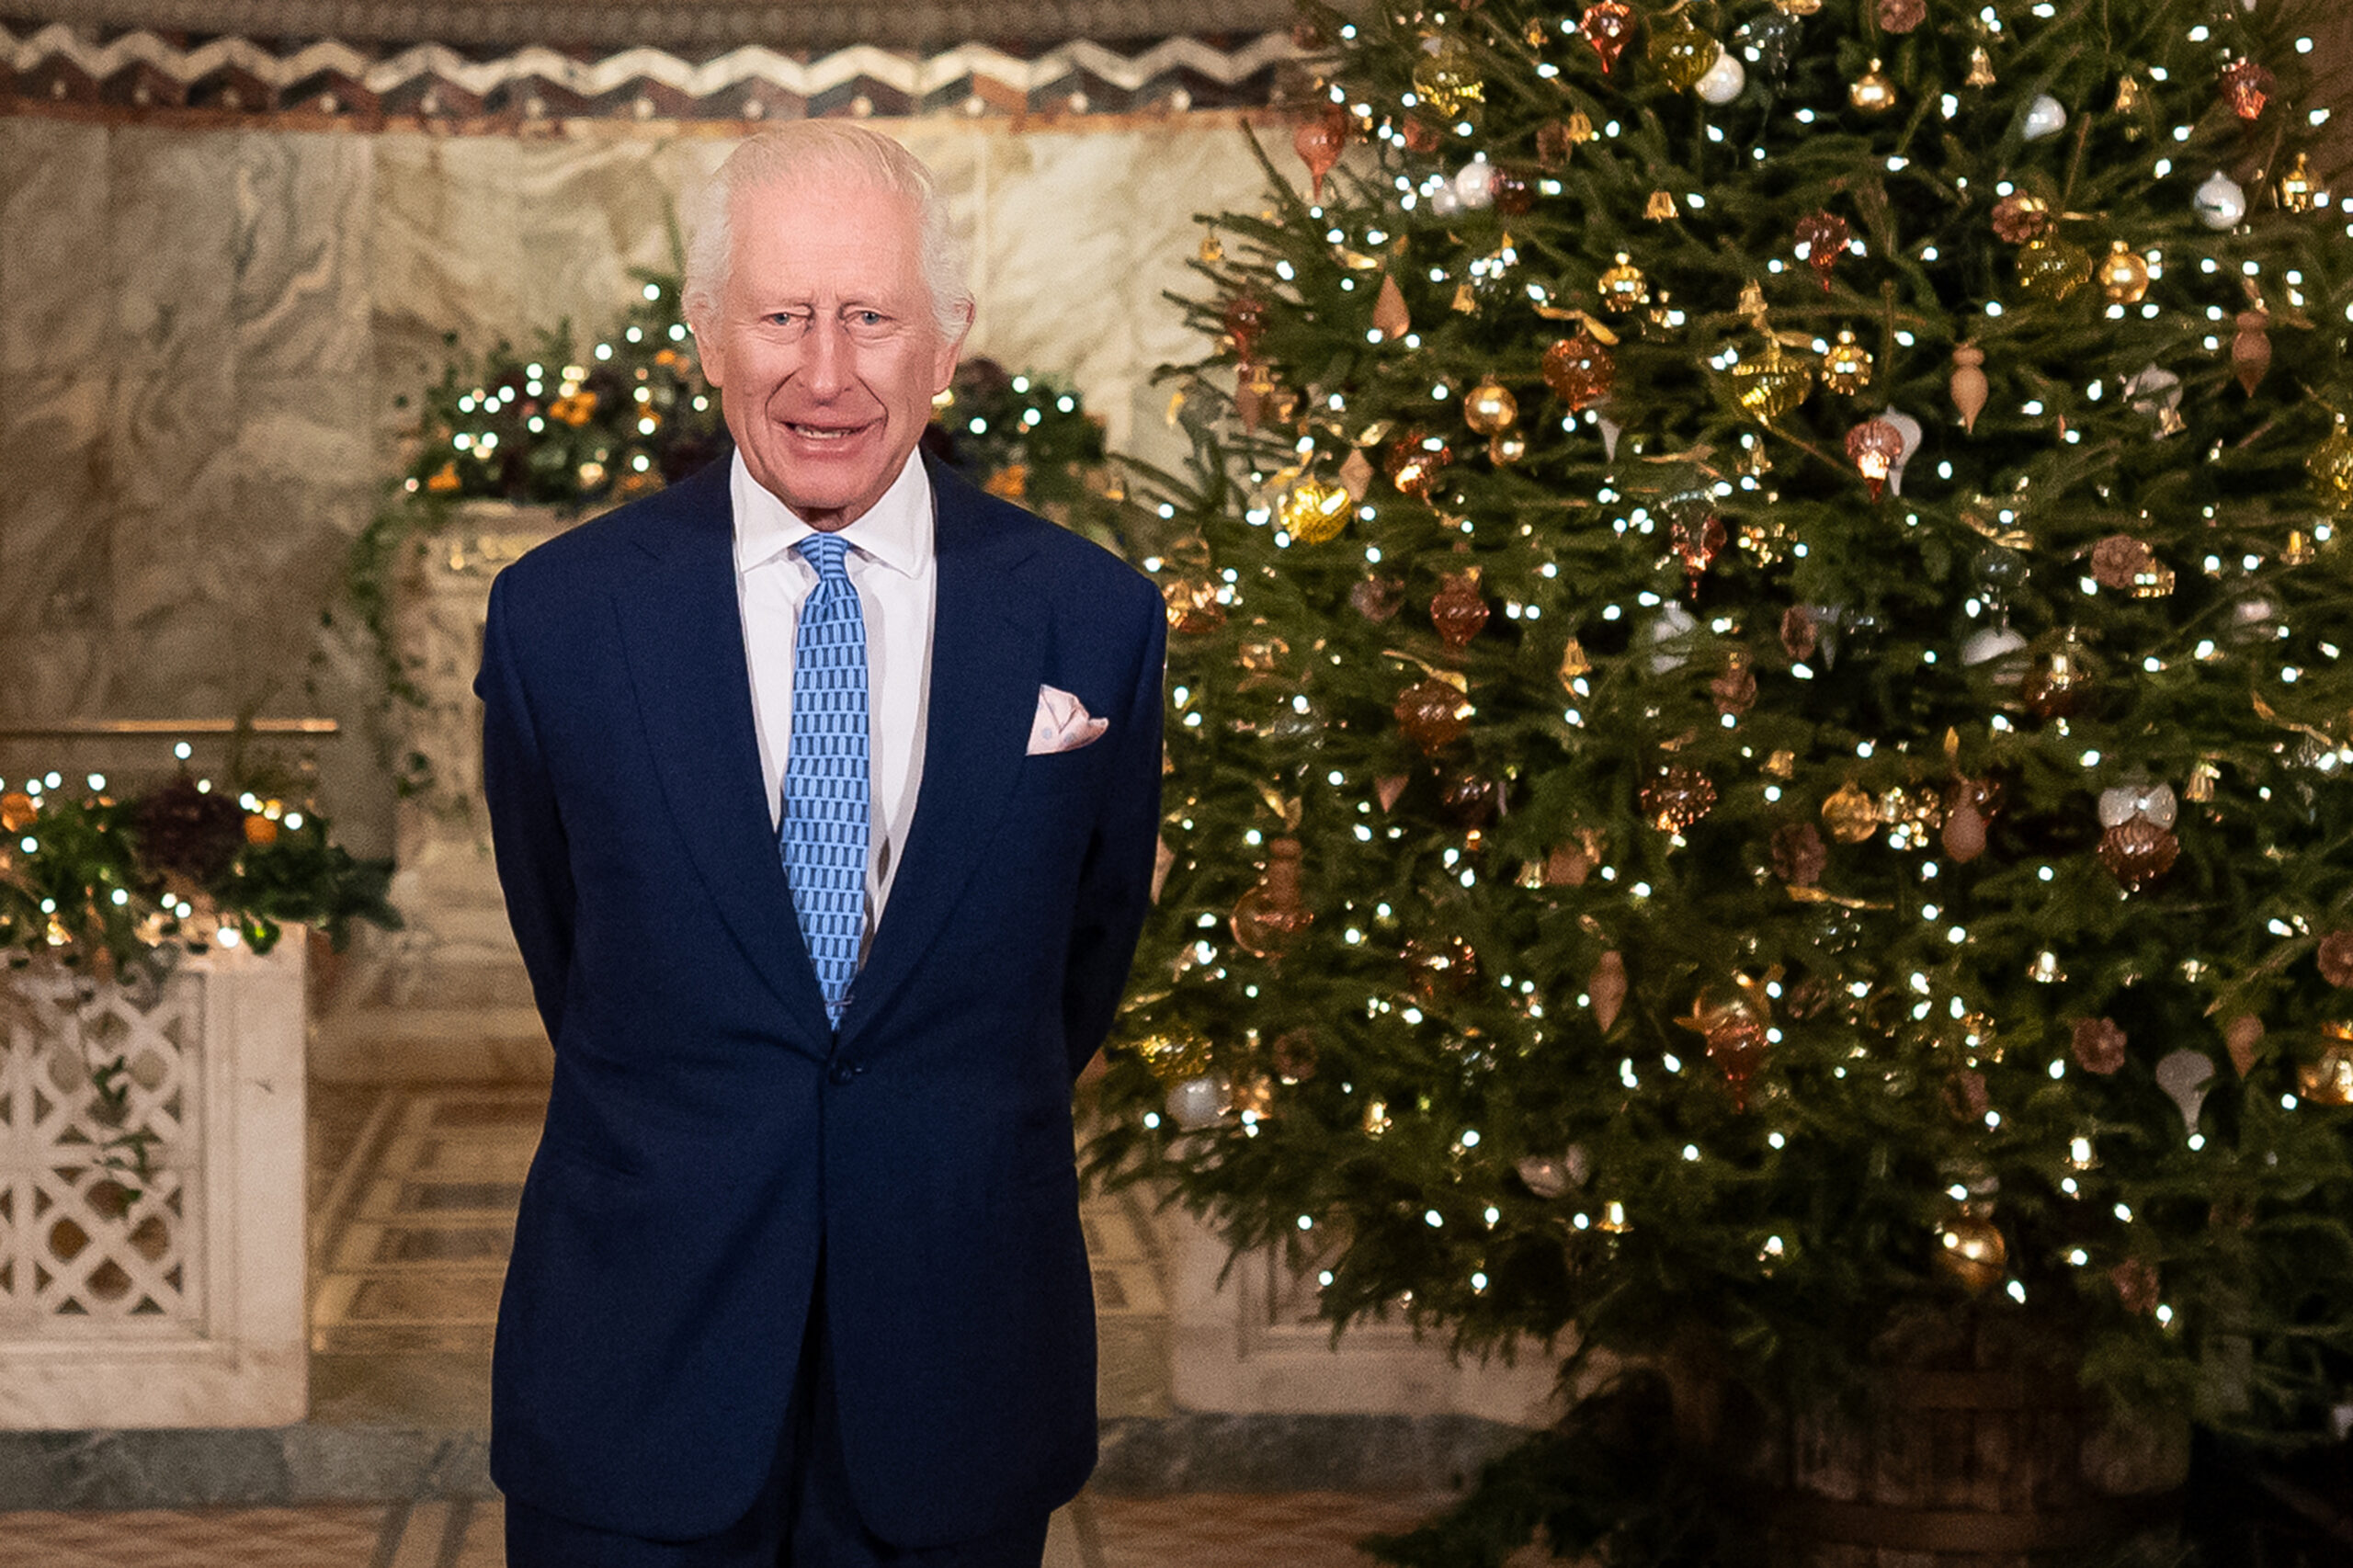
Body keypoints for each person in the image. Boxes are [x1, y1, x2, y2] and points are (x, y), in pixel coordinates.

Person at [474, 121, 1166, 1567]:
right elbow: (572, 945)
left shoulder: (1092, 617)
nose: (827, 373)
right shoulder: (560, 619)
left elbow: (1084, 956)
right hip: (637, 1366)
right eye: (783, 316)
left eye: (872, 317)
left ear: (948, 339)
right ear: (707, 335)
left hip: (958, 1361)